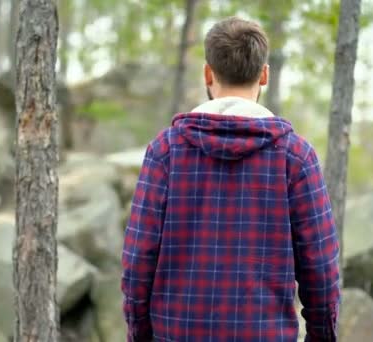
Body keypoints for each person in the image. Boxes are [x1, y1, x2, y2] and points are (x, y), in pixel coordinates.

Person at [121, 17, 340, 342]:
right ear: (264, 74)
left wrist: (140, 335)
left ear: (208, 74)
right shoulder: (296, 157)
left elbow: (138, 261)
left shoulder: (165, 152)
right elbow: (320, 271)